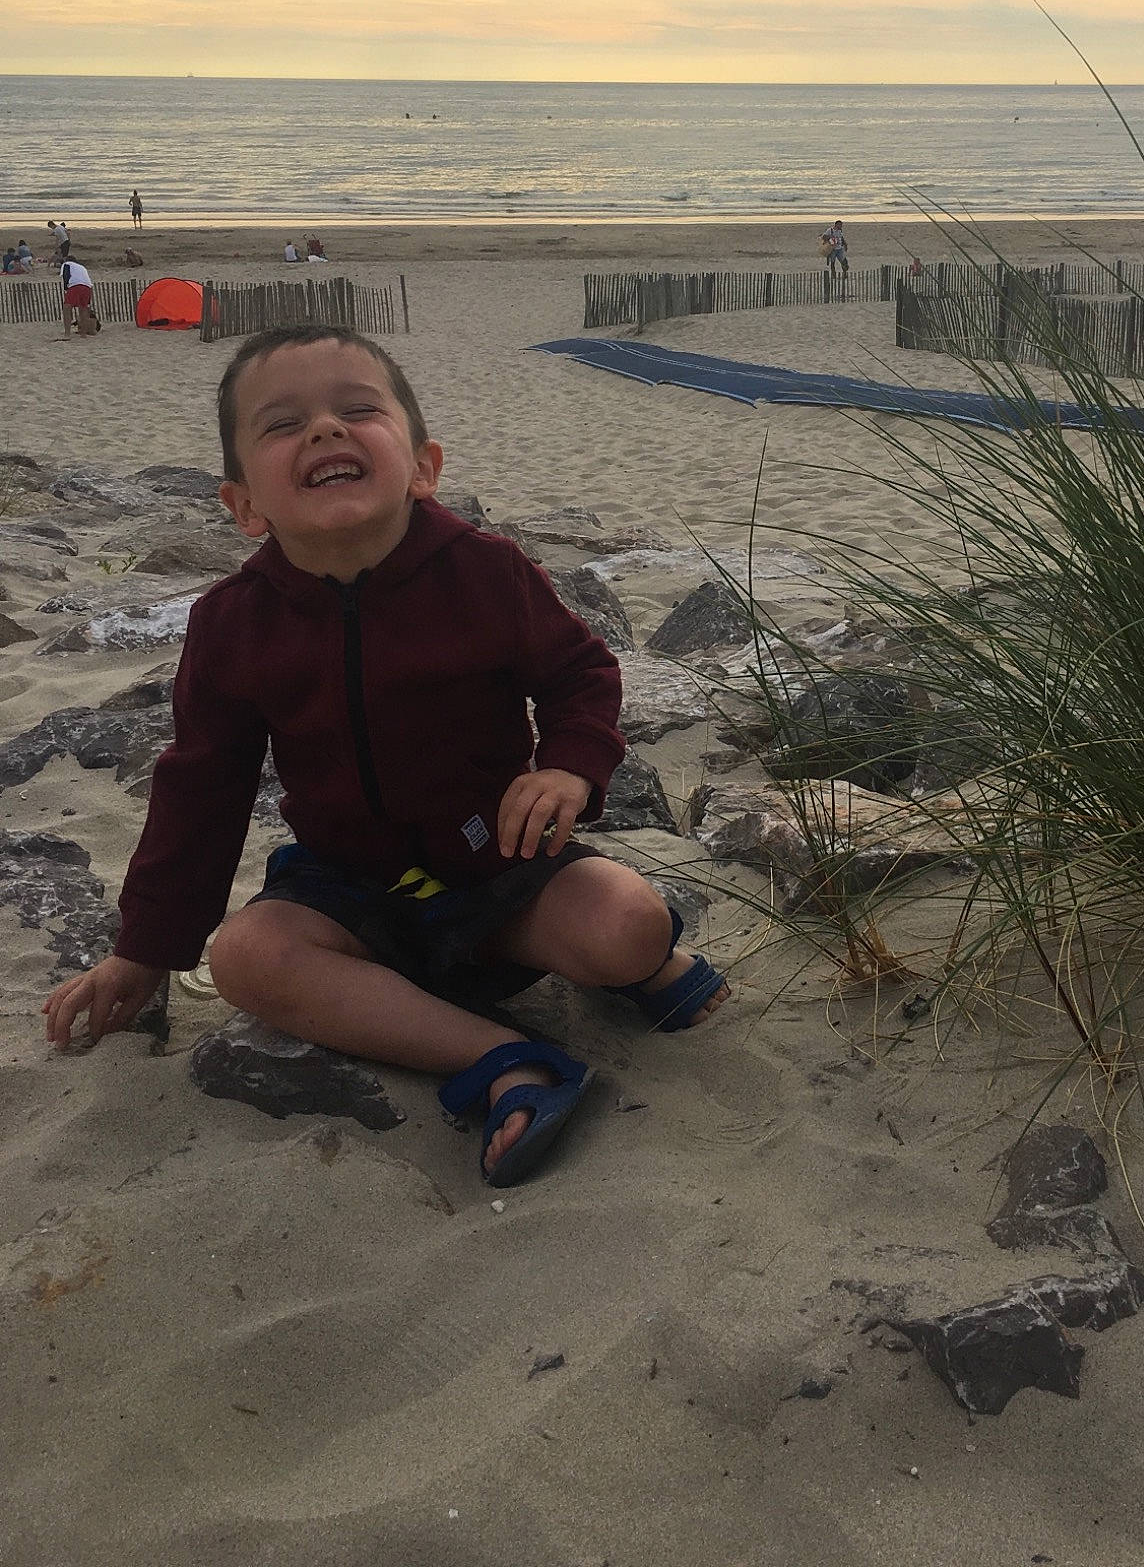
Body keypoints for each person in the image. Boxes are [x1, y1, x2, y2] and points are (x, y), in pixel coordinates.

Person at [41, 325, 729, 1188]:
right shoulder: (233, 622)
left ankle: (649, 971)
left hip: (497, 868)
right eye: (283, 424)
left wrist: (567, 767)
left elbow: (579, 674)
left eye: (358, 410)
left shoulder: (485, 572)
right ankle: (506, 1057)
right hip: (347, 888)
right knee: (246, 957)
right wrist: (144, 948)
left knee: (630, 922)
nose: (325, 430)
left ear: (423, 464)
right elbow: (201, 787)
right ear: (244, 505)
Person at [59, 255, 93, 336]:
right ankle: (83, 334)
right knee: (83, 309)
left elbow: (66, 276)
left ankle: (67, 334)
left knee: (67, 308)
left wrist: (66, 289)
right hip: (87, 287)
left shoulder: (67, 264)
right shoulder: (82, 267)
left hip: (75, 285)